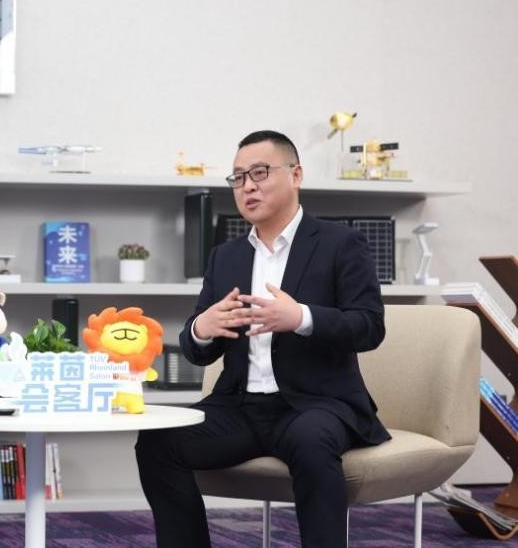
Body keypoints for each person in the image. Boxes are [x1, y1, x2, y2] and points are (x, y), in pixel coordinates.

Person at [135, 130, 390, 547]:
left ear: (296, 175)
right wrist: (202, 329)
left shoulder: (341, 244)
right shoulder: (226, 256)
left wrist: (301, 317)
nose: (247, 186)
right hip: (239, 408)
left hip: (315, 404)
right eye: (238, 178)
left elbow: (369, 327)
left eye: (259, 173)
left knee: (311, 442)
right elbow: (199, 350)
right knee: (158, 442)